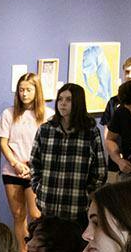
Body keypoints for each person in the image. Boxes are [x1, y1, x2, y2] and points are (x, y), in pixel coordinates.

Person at [31, 82, 109, 226]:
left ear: (78, 102)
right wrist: (39, 187)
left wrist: (88, 194)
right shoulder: (45, 130)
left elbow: (100, 171)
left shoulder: (90, 132)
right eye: (60, 99)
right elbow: (35, 163)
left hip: (77, 207)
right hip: (48, 204)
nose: (63, 103)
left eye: (68, 100)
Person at [0, 73, 47, 251]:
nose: (24, 94)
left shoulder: (48, 115)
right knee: (18, 215)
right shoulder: (9, 113)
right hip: (12, 171)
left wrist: (33, 165)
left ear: (36, 91)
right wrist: (16, 163)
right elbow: (3, 142)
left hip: (36, 172)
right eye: (21, 90)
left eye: (28, 90)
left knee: (36, 214)